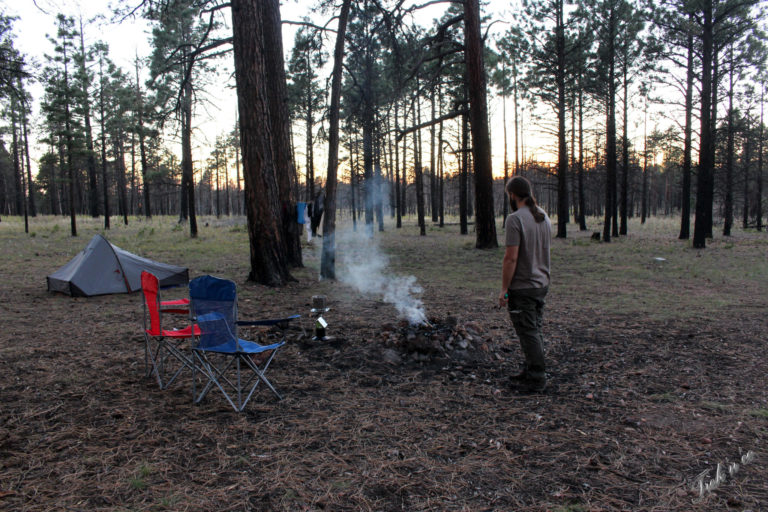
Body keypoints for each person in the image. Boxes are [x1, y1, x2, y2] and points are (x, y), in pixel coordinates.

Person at [498, 176, 552, 393]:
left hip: (523, 286)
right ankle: (531, 369)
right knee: (534, 329)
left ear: (512, 195)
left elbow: (511, 258)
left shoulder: (515, 219)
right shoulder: (544, 216)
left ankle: (537, 377)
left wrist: (504, 290)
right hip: (542, 282)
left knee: (528, 332)